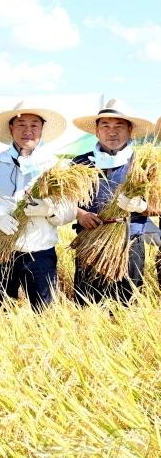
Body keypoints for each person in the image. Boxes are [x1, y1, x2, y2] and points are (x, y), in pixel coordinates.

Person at [0, 101, 75, 311]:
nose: (28, 131)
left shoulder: (55, 166)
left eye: (34, 125)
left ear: (42, 129)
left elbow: (70, 210)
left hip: (40, 253)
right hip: (0, 251)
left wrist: (49, 211)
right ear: (11, 128)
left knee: (43, 315)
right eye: (21, 125)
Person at [71, 99, 154, 305]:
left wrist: (142, 207)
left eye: (119, 126)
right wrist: (81, 214)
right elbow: (64, 202)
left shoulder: (144, 163)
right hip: (89, 243)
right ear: (97, 131)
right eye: (105, 126)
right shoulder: (80, 163)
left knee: (125, 308)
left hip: (130, 245)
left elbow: (159, 206)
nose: (112, 132)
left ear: (130, 130)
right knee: (87, 308)